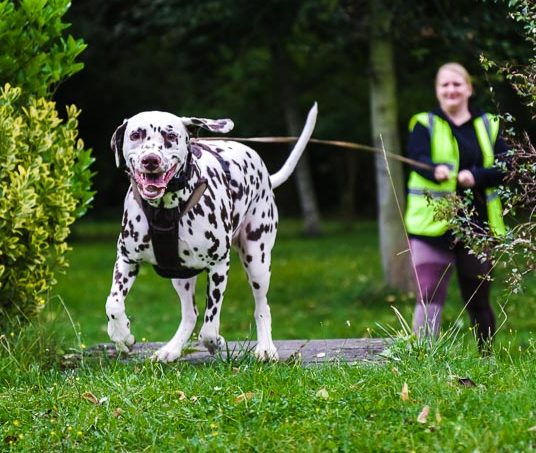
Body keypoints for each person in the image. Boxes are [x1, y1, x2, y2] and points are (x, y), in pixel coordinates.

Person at [404, 62, 507, 352]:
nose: (451, 90)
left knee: (478, 299)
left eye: (457, 84)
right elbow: (417, 157)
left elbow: (506, 166)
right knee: (428, 294)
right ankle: (422, 357)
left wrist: (475, 176)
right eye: (445, 85)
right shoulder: (423, 123)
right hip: (431, 228)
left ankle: (487, 356)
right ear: (437, 91)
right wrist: (434, 169)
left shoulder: (489, 124)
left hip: (477, 228)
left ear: (469, 89)